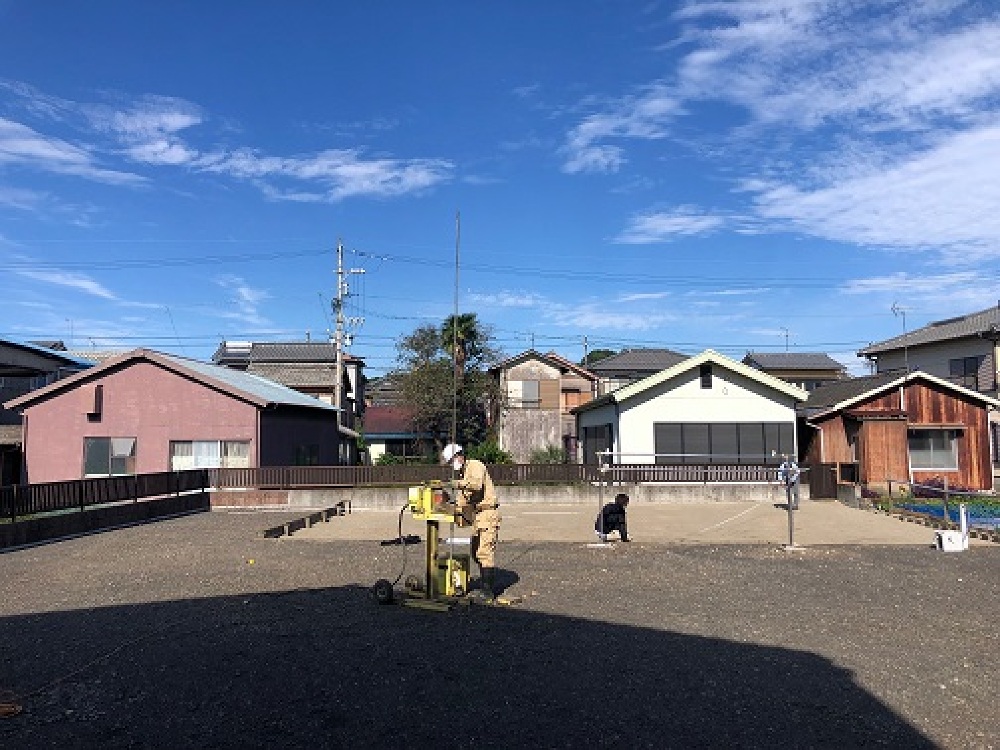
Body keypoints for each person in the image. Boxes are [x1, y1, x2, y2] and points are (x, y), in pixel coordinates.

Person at [441, 443, 501, 600]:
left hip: (488, 513)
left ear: (459, 456)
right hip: (478, 516)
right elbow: (463, 501)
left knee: (484, 552)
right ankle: (484, 584)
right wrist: (448, 503)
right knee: (475, 552)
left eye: (451, 461)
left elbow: (476, 484)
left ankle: (488, 592)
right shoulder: (463, 474)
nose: (451, 465)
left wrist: (457, 484)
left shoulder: (475, 466)